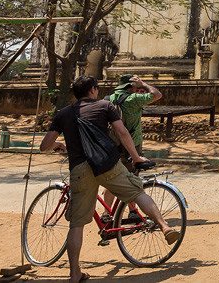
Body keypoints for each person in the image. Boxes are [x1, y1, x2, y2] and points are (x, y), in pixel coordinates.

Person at [41, 75, 179, 283]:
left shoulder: (63, 114)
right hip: (107, 163)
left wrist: (60, 146)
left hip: (80, 168)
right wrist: (135, 157)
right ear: (93, 90)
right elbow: (122, 133)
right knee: (137, 192)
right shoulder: (105, 106)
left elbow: (45, 145)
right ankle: (164, 226)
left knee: (76, 225)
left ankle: (74, 274)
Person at [102, 75, 161, 212]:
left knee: (112, 178)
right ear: (131, 87)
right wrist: (143, 84)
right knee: (132, 179)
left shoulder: (108, 99)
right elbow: (157, 94)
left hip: (113, 144)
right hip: (132, 145)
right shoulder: (133, 99)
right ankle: (133, 211)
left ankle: (107, 212)